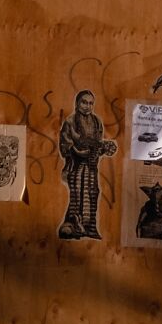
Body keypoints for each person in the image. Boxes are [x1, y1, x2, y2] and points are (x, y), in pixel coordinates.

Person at [58, 90, 117, 240]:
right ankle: (73, 227)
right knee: (77, 194)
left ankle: (90, 228)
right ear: (77, 103)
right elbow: (65, 143)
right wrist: (77, 151)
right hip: (76, 166)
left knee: (92, 192)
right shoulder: (70, 121)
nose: (87, 106)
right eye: (84, 102)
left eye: (91, 103)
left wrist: (101, 149)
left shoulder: (97, 121)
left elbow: (98, 144)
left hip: (91, 166)